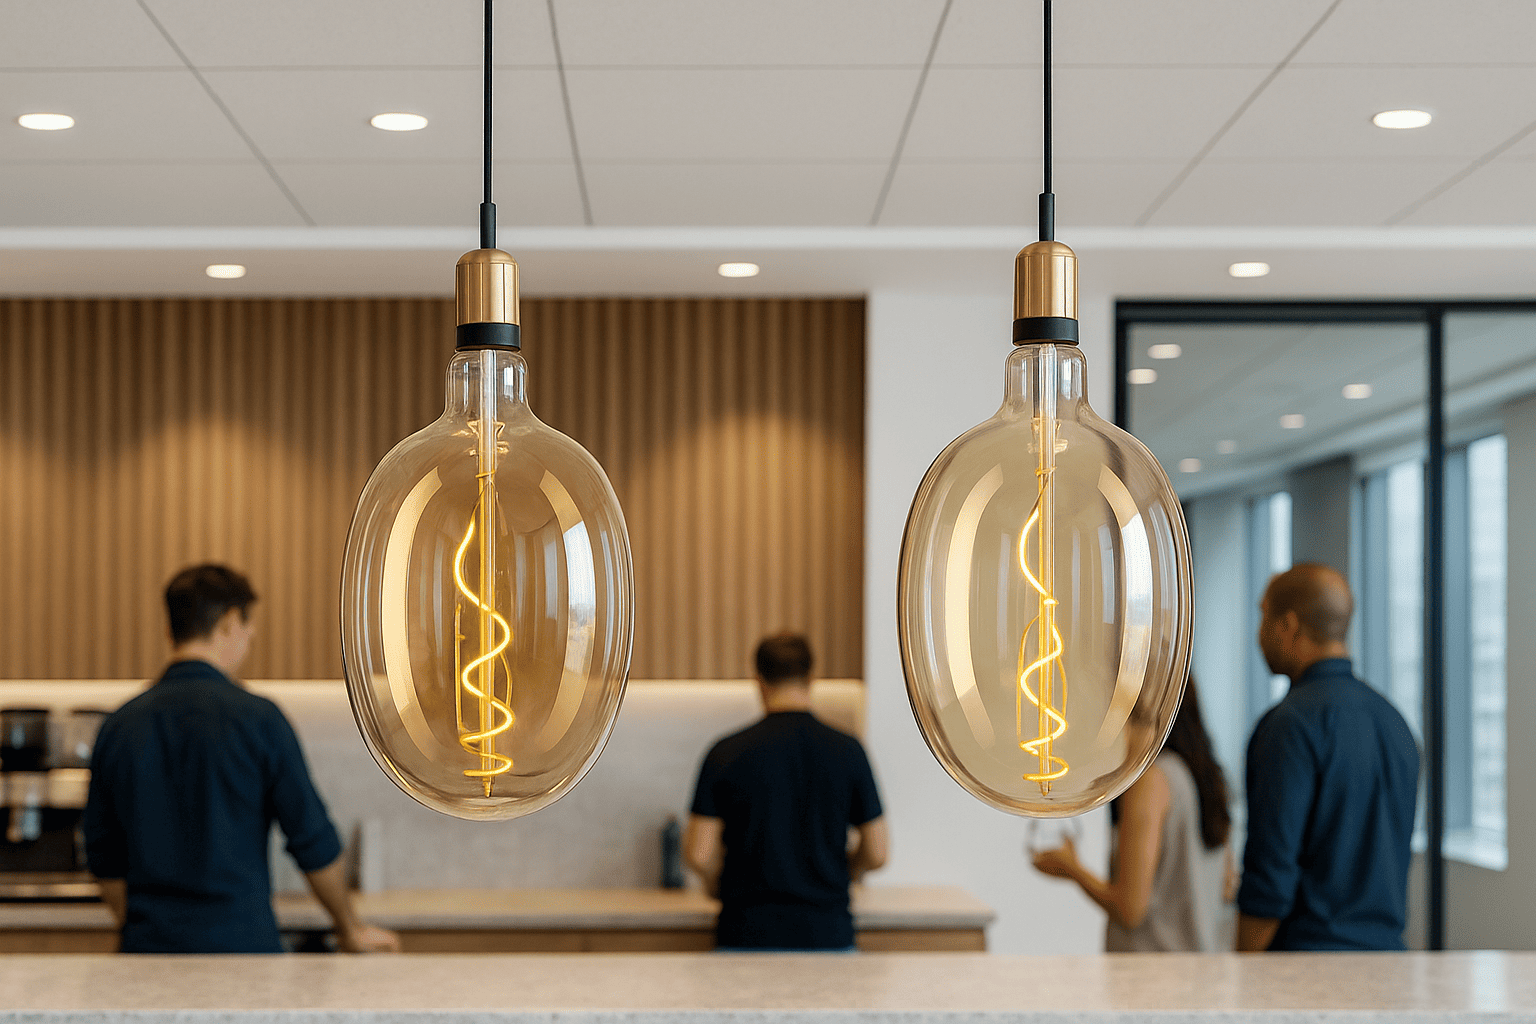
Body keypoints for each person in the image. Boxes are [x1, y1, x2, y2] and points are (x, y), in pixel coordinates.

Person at [83, 565, 398, 954]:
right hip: (243, 948)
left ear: (170, 632)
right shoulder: (260, 720)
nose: (250, 638)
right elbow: (312, 838)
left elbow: (102, 853)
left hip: (148, 951)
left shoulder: (118, 726)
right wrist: (349, 927)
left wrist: (147, 927)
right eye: (248, 628)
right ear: (230, 622)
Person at [1237, 563, 1420, 952]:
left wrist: (1243, 977)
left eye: (1263, 617)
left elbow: (1270, 877)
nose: (1259, 635)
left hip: (1305, 973)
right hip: (1387, 970)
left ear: (1288, 625)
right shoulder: (1396, 725)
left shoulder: (1288, 727)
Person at [684, 633, 888, 951]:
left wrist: (717, 884)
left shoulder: (724, 753)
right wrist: (849, 870)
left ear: (759, 680)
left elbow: (698, 854)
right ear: (811, 678)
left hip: (745, 934)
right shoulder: (848, 751)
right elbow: (877, 853)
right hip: (828, 934)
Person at [1031, 676, 1236, 951]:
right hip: (1201, 971)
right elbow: (1227, 887)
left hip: (1150, 978)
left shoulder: (1151, 782)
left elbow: (1130, 909)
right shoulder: (1204, 778)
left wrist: (1071, 867)